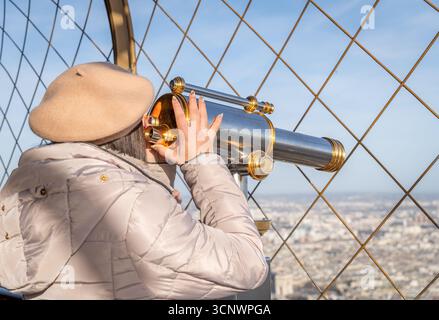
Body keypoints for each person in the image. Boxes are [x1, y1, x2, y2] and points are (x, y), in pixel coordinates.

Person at [0, 62, 268, 299]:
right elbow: (248, 264)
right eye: (147, 120)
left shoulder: (20, 190)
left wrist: (154, 177)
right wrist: (201, 161)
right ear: (133, 130)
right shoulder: (135, 205)